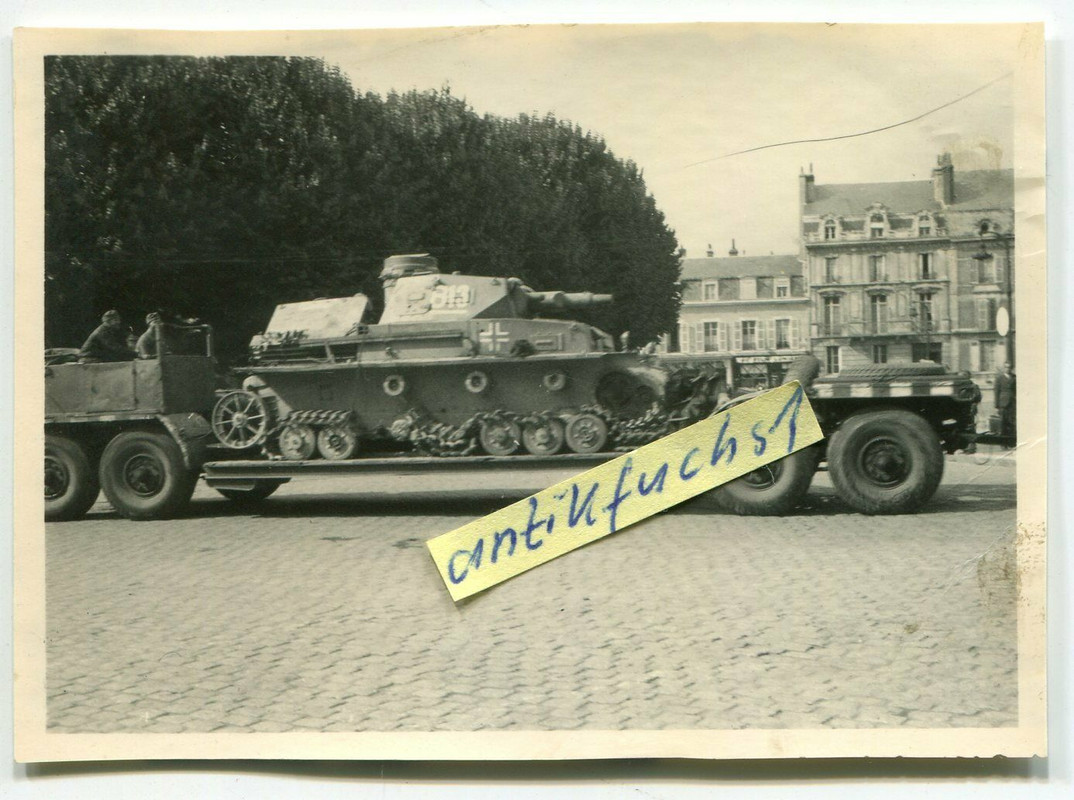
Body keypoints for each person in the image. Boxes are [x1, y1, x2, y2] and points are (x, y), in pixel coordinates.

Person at [994, 361, 1016, 439]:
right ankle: (1003, 439)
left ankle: (1011, 438)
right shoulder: (999, 378)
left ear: (1012, 368)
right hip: (1003, 402)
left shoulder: (1014, 377)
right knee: (1003, 421)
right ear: (1004, 368)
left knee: (1012, 420)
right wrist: (996, 405)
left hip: (1013, 402)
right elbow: (996, 392)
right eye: (1006, 367)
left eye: (1009, 367)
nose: (1008, 369)